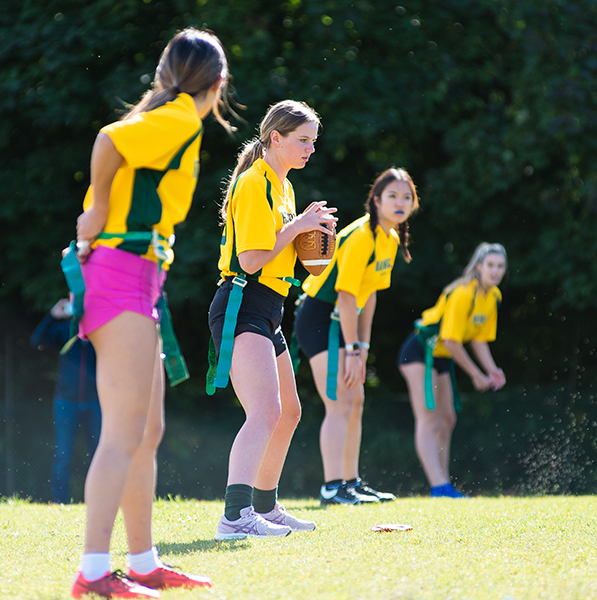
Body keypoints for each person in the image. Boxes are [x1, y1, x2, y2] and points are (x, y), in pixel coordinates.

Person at [69, 28, 232, 599]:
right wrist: (101, 209)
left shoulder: (175, 117)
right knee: (124, 433)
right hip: (120, 277)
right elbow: (110, 139)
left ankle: (143, 563)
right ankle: (92, 574)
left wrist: (101, 214)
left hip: (138, 279)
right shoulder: (185, 117)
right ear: (218, 84)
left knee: (148, 430)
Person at [207, 100, 337, 539]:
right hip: (242, 302)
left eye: (313, 141)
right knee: (264, 411)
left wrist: (312, 246)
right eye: (303, 140)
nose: (310, 149)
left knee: (289, 412)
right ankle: (234, 517)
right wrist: (298, 226)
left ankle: (265, 506)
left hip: (270, 306)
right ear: (275, 138)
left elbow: (282, 255)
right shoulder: (253, 182)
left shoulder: (284, 186)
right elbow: (249, 260)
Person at [293, 168, 419, 506]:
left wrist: (362, 348)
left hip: (344, 323)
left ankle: (351, 482)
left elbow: (369, 297)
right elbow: (346, 296)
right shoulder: (362, 236)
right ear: (376, 201)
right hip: (319, 317)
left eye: (406, 197)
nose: (400, 202)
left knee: (356, 401)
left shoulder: (389, 239)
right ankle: (332, 488)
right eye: (392, 196)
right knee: (339, 402)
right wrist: (352, 350)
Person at [398, 243, 508, 498]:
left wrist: (492, 370)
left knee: (447, 419)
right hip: (419, 352)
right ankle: (439, 486)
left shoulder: (493, 297)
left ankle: (444, 484)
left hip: (442, 358)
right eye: (490, 265)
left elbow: (478, 339)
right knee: (429, 419)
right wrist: (476, 375)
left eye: (500, 266)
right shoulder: (463, 292)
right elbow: (450, 341)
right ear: (479, 266)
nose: (495, 271)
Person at [30, 298, 101, 504]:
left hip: (96, 402)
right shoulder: (64, 331)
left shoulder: (101, 335)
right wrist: (52, 316)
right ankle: (60, 502)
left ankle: (98, 502)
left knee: (99, 455)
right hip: (66, 402)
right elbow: (37, 342)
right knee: (63, 456)